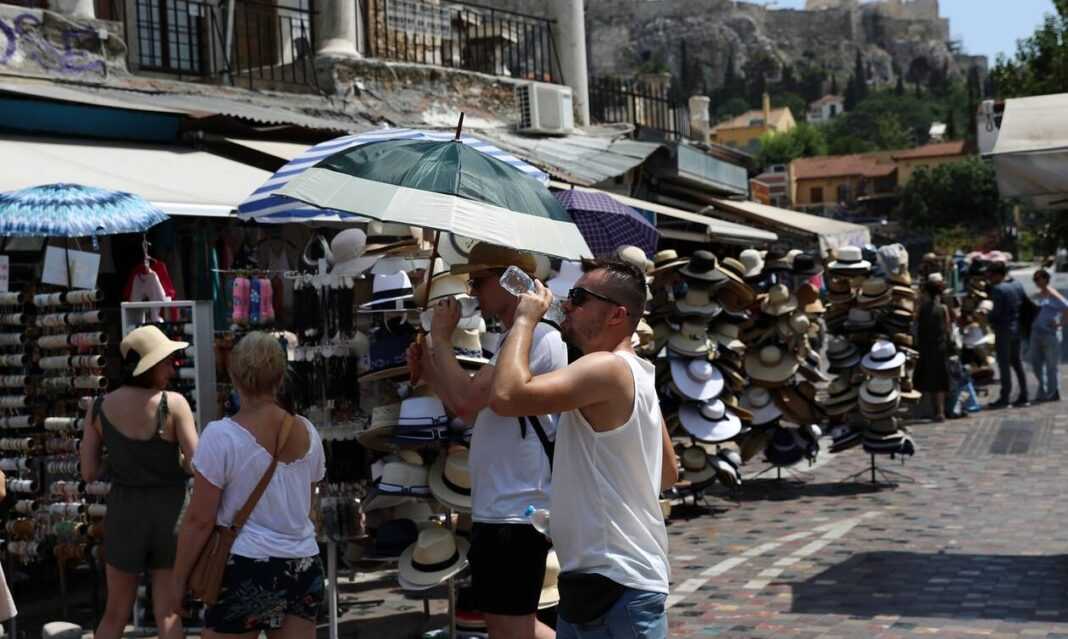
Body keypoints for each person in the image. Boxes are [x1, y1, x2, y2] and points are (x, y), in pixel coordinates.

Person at [490, 259, 679, 639]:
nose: (567, 304)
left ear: (617, 315)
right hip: (601, 579)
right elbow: (667, 472)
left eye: (579, 297)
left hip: (617, 583)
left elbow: (506, 396)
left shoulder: (607, 368)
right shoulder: (637, 371)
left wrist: (524, 320)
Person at [407, 243, 567, 639]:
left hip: (516, 508)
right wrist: (429, 367)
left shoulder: (537, 337)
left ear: (511, 281)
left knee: (512, 628)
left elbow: (466, 401)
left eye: (478, 281)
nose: (472, 291)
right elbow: (466, 407)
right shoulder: (514, 340)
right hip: (501, 506)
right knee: (503, 626)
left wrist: (442, 340)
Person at [170, 331, 326, 637]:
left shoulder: (221, 436)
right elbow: (307, 505)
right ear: (280, 377)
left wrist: (178, 580)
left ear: (234, 377)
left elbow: (200, 519)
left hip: (248, 564)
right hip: (304, 563)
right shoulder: (308, 431)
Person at [80, 325, 198, 639]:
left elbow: (89, 472)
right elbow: (197, 464)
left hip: (124, 513)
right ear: (150, 365)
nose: (172, 368)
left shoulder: (99, 408)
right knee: (169, 613)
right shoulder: (174, 404)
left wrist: (119, 461)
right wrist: (175, 462)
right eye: (166, 362)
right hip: (170, 512)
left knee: (115, 613)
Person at [987, 260, 1030, 408]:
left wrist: (987, 317)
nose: (990, 279)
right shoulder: (1017, 285)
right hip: (1017, 328)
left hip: (1003, 330)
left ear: (998, 275)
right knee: (1017, 363)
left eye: (991, 276)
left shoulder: (998, 289)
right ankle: (1024, 395)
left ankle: (1005, 397)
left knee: (1004, 364)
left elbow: (996, 313)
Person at [913, 277, 952, 421]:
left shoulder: (921, 309)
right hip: (940, 347)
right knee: (940, 379)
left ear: (926, 293)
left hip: (925, 347)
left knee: (926, 377)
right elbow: (948, 329)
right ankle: (940, 411)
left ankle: (928, 410)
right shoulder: (943, 308)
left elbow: (916, 327)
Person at [1030, 269, 1068, 401]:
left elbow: (1066, 307)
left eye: (1038, 279)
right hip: (1036, 332)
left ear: (1046, 279)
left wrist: (1060, 323)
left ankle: (1051, 393)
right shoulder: (1038, 295)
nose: (1036, 282)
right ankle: (1044, 390)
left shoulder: (1053, 294)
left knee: (1051, 365)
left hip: (1049, 334)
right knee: (1036, 364)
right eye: (1034, 279)